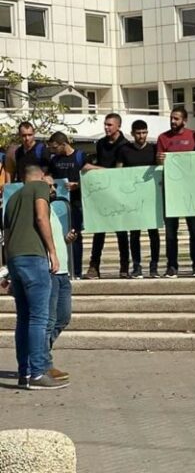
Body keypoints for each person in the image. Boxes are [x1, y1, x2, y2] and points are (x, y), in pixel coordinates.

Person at [4, 165, 66, 390]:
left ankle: (25, 372)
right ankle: (38, 373)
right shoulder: (39, 187)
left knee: (23, 318)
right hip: (34, 257)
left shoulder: (12, 199)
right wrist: (52, 251)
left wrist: (8, 267)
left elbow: (6, 234)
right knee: (39, 317)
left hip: (15, 259)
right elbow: (41, 217)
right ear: (40, 177)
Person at [157, 107, 195, 278]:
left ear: (184, 120)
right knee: (171, 233)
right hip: (171, 192)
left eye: (176, 118)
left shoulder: (194, 136)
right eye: (171, 118)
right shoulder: (163, 138)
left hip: (191, 191)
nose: (173, 121)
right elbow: (159, 164)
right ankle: (171, 266)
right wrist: (160, 160)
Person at [85, 113, 130, 279]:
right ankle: (94, 266)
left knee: (121, 232)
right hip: (102, 192)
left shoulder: (125, 145)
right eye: (105, 124)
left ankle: (124, 266)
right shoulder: (101, 144)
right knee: (99, 231)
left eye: (110, 125)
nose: (106, 127)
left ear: (118, 126)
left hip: (119, 193)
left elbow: (118, 172)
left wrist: (93, 168)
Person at [116, 120, 160, 279]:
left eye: (144, 132)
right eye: (138, 133)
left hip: (150, 198)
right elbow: (118, 172)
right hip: (132, 198)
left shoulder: (153, 149)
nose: (142, 136)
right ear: (133, 133)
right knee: (134, 234)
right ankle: (137, 266)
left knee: (153, 233)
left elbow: (159, 168)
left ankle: (154, 267)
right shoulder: (124, 150)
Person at [47, 132, 90, 279]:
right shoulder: (54, 160)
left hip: (75, 203)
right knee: (59, 234)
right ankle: (60, 267)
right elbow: (49, 175)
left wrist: (77, 184)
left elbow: (91, 174)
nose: (53, 150)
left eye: (55, 147)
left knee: (75, 235)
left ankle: (76, 270)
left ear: (64, 144)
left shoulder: (80, 156)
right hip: (58, 204)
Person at [46, 185, 76, 383]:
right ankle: (43, 362)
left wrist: (66, 240)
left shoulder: (52, 210)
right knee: (48, 320)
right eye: (49, 185)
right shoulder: (39, 211)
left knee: (63, 317)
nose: (53, 189)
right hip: (51, 272)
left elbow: (55, 241)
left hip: (63, 272)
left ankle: (39, 352)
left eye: (54, 186)